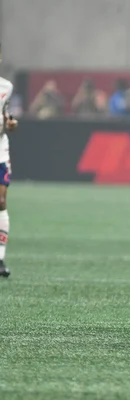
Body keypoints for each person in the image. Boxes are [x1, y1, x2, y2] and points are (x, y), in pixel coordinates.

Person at [0, 43, 19, 278]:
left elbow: (6, 115)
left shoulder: (6, 87)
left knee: (1, 201)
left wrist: (10, 124)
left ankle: (0, 258)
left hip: (0, 151)